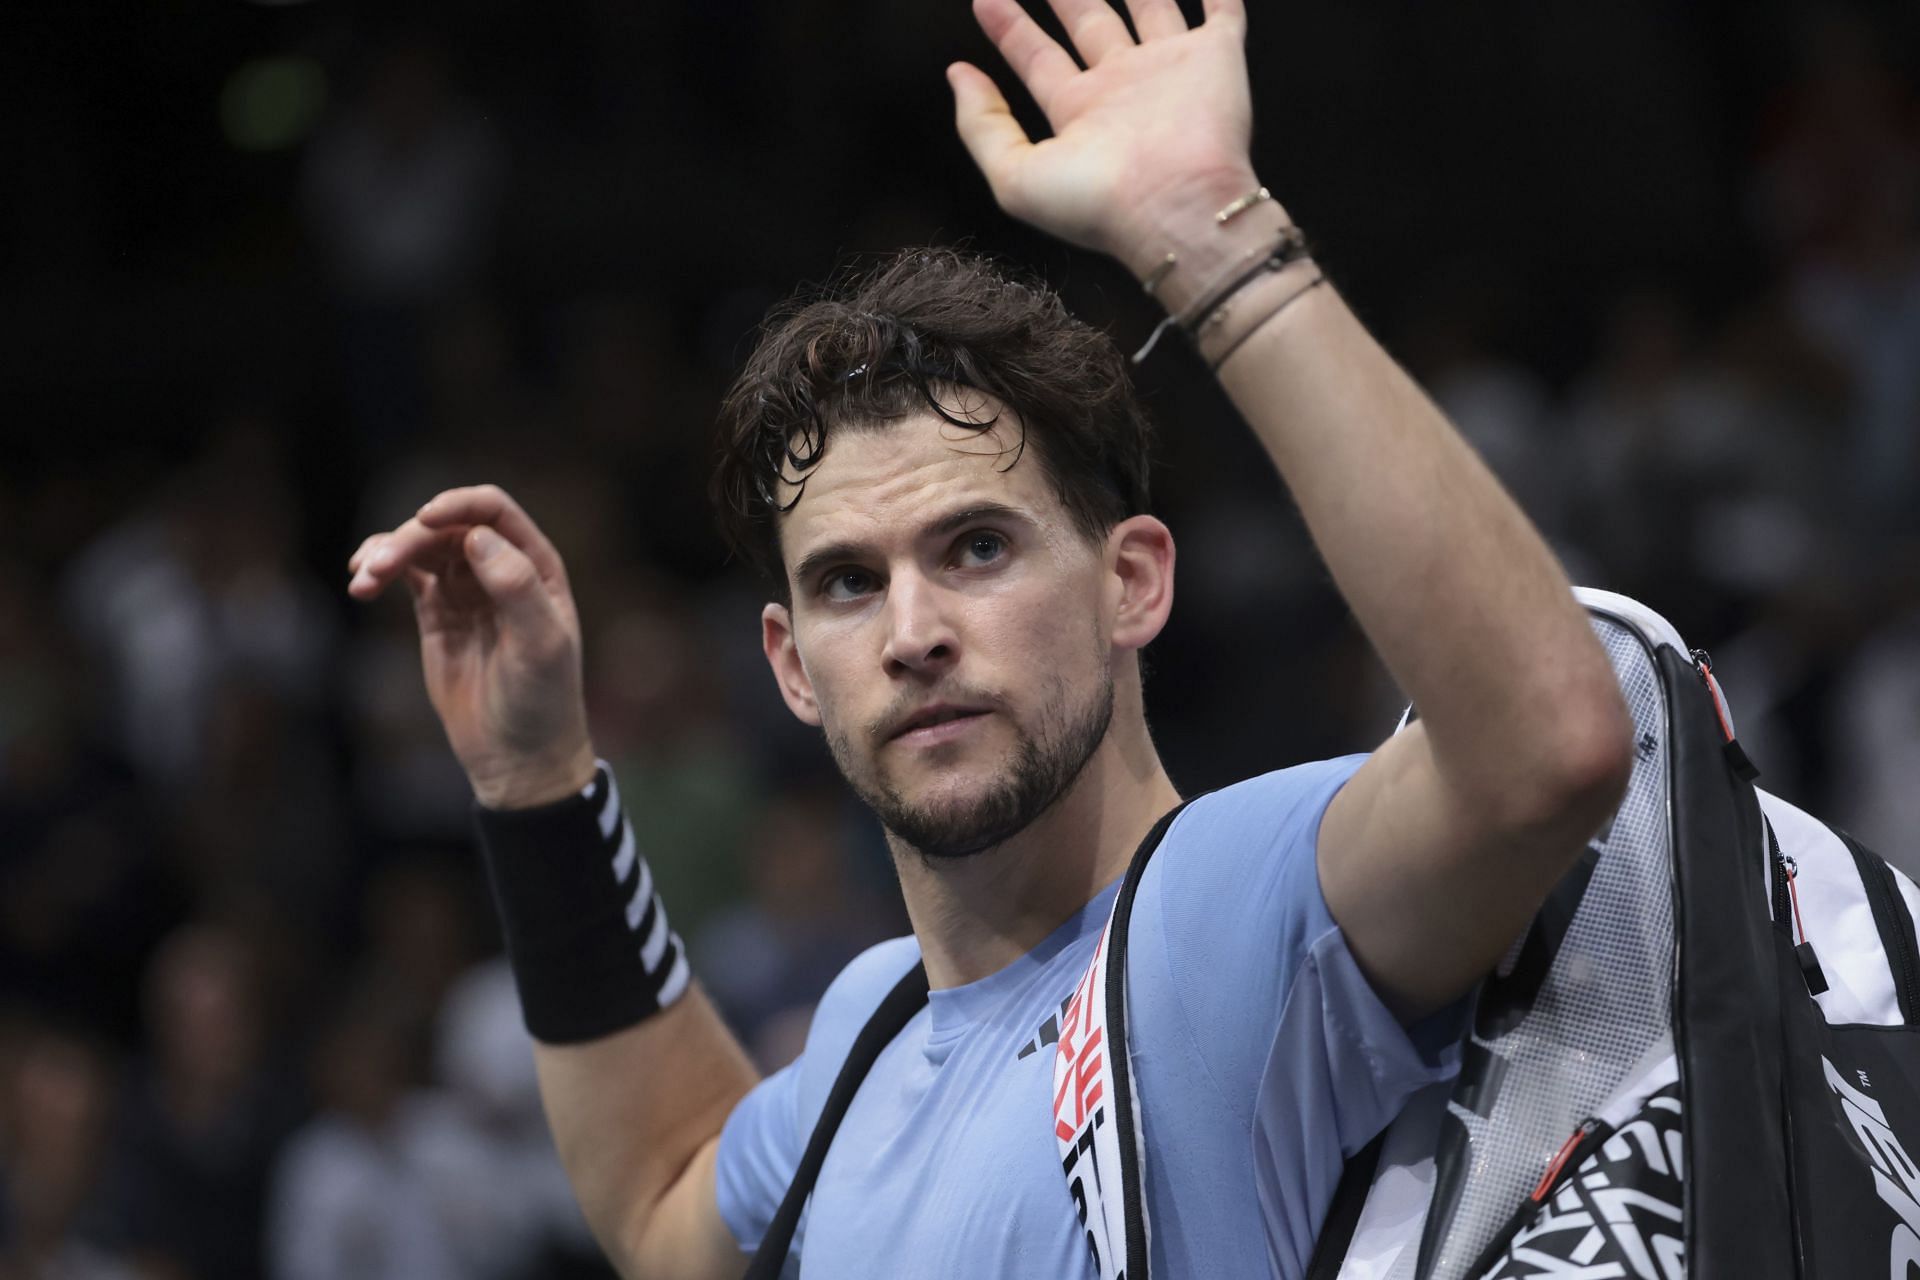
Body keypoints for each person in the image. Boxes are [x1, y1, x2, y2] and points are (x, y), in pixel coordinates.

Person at [347, 0, 1633, 1273]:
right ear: (792, 667)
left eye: (976, 547)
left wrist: (1212, 242)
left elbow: (1549, 747)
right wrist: (537, 783)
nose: (913, 631)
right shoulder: (863, 1034)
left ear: (1131, 580)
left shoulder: (1227, 905)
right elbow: (659, 1190)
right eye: (848, 581)